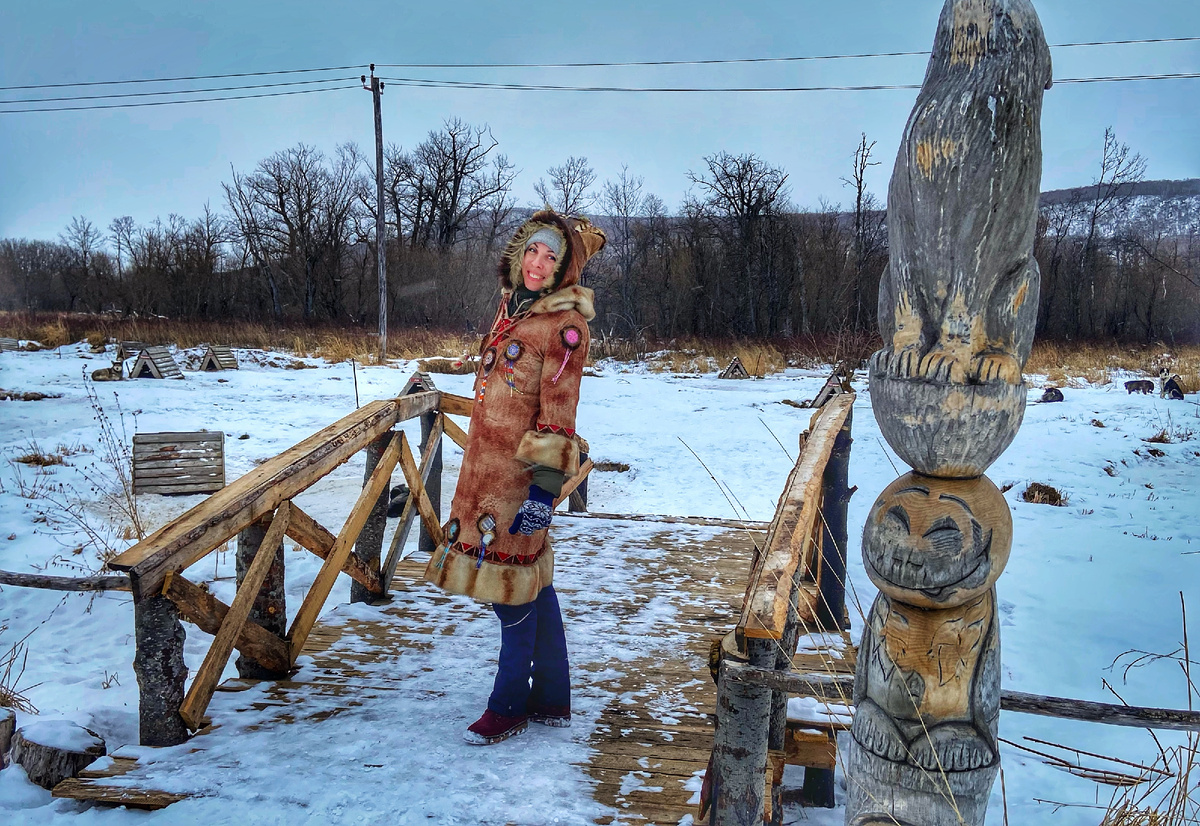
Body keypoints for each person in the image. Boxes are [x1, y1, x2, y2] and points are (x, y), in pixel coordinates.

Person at [425, 209, 606, 745]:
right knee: (533, 584)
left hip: (518, 483)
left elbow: (559, 415)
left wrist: (543, 494)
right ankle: (551, 697)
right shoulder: (512, 311)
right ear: (518, 253)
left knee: (511, 593)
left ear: (564, 270)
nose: (537, 263)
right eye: (533, 250)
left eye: (552, 257)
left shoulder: (565, 329)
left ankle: (507, 705)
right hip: (483, 474)